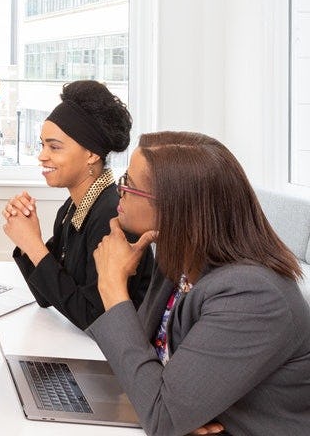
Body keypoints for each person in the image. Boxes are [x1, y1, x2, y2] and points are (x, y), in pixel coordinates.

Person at [90, 132, 310, 436]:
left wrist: (112, 287)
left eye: (130, 184)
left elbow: (161, 414)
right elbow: (142, 366)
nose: (120, 191)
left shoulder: (253, 296)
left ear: (175, 208)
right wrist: (173, 410)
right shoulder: (177, 261)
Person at [2, 80, 154, 330]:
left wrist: (32, 244)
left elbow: (95, 319)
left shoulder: (112, 215)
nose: (42, 155)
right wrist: (28, 240)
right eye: (42, 145)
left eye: (54, 147)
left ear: (92, 154)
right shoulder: (72, 208)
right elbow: (47, 296)